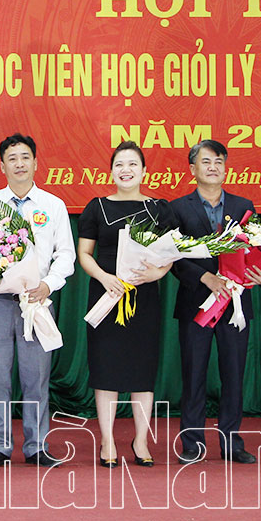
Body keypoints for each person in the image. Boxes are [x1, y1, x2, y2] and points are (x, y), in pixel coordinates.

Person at [0, 133, 75, 469]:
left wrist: (48, 285)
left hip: (37, 302)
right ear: (2, 166)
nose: (19, 164)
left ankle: (36, 446)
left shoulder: (53, 205)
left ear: (35, 163)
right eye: (12, 158)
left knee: (36, 377)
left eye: (25, 157)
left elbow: (66, 255)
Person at [169, 139, 261, 465]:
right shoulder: (178, 208)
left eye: (218, 162)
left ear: (225, 168)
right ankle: (192, 443)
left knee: (234, 374)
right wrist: (205, 278)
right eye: (206, 161)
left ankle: (232, 443)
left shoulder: (244, 206)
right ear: (193, 169)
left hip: (235, 305)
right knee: (194, 375)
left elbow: (259, 250)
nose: (213, 167)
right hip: (196, 305)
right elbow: (172, 257)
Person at [77, 140, 177, 467]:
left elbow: (170, 253)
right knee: (106, 367)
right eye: (119, 164)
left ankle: (141, 440)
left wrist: (158, 273)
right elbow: (84, 254)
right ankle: (107, 440)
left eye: (133, 164)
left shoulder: (160, 209)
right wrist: (103, 277)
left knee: (142, 370)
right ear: (111, 171)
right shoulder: (96, 207)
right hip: (106, 295)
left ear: (144, 171)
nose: (126, 170)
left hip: (144, 298)